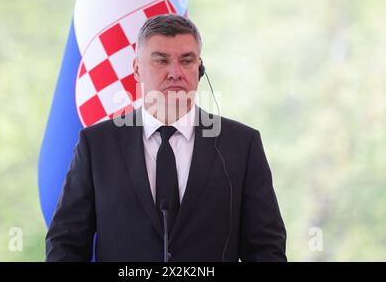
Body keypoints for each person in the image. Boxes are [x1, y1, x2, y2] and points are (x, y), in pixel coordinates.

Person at [45, 14, 287, 262]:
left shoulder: (242, 145)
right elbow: (66, 243)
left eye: (186, 61)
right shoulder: (96, 145)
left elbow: (266, 248)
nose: (175, 72)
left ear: (200, 68)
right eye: (161, 60)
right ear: (137, 69)